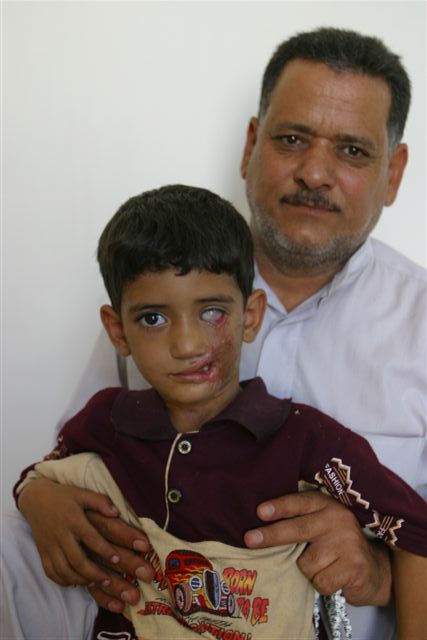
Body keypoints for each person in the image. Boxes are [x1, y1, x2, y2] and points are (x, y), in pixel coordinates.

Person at [1, 26, 426, 640]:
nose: (315, 173)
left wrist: (381, 571)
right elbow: (80, 464)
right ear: (251, 146)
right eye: (292, 139)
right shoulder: (161, 286)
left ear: (394, 173)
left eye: (353, 151)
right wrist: (39, 499)